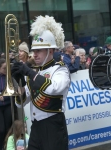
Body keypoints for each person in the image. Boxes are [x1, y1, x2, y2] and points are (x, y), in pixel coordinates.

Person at [11, 15, 70, 150]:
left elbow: (53, 88)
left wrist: (30, 73)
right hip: (36, 127)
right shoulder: (34, 72)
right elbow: (20, 103)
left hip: (53, 126)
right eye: (34, 51)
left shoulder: (60, 69)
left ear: (50, 50)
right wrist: (19, 83)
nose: (35, 54)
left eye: (39, 50)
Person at [0, 57, 12, 150]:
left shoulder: (9, 76)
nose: (6, 70)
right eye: (4, 68)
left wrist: (5, 96)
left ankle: (7, 146)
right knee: (0, 129)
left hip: (8, 104)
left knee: (8, 128)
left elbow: (13, 89)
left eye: (7, 68)